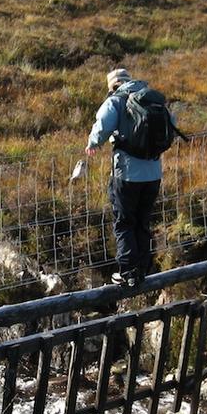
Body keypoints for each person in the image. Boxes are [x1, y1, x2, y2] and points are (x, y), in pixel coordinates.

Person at [85, 68, 168, 288]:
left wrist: (93, 143)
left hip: (127, 174)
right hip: (153, 173)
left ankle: (128, 272)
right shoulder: (152, 98)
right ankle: (143, 268)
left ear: (112, 86)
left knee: (124, 222)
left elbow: (102, 127)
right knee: (143, 221)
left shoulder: (116, 101)